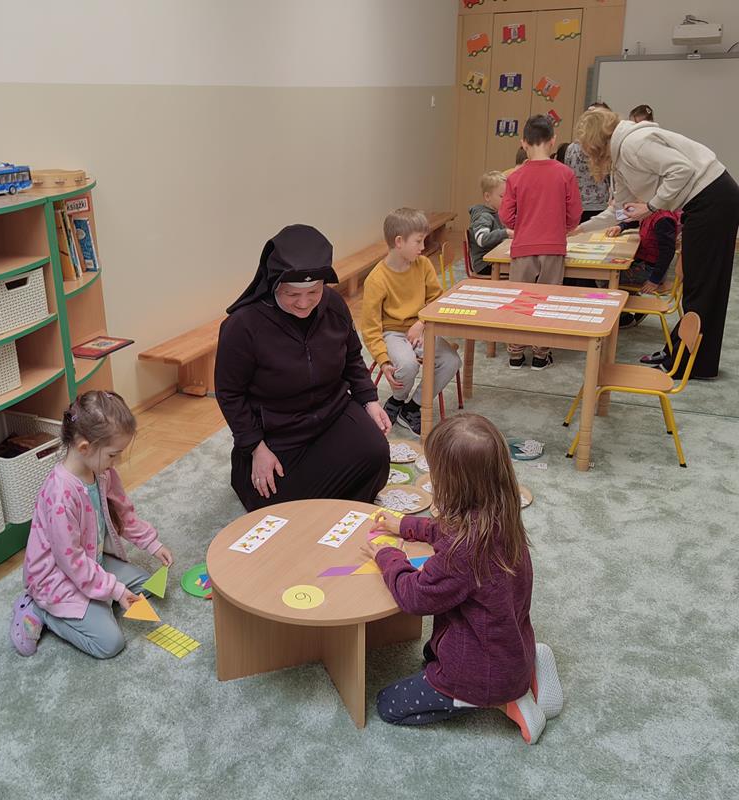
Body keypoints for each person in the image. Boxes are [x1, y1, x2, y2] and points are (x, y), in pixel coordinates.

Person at [360, 414, 563, 743]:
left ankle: (504, 700)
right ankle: (526, 666)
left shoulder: (462, 551)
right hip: (507, 646)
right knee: (430, 655)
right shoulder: (499, 514)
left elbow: (415, 597)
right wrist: (405, 526)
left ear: (453, 484)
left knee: (387, 705)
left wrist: (388, 556)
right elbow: (447, 531)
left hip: (478, 675)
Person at [215, 224, 392, 511]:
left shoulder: (334, 306)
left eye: (313, 291)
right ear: (274, 284)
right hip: (278, 431)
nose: (304, 302)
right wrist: (256, 448)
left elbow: (352, 358)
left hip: (332, 413)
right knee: (276, 505)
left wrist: (369, 401)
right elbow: (230, 394)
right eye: (292, 294)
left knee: (376, 455)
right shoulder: (242, 326)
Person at [573, 107, 739, 378]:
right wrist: (579, 228)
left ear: (596, 142)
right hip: (705, 202)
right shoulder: (621, 154)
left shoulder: (633, 143)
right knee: (697, 284)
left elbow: (682, 170)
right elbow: (620, 210)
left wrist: (651, 206)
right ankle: (677, 349)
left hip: (713, 200)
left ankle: (691, 363)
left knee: (703, 286)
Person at [9, 391, 174, 659]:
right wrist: (115, 591)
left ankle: (97, 597)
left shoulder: (103, 471)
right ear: (85, 447)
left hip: (91, 561)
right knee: (110, 643)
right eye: (113, 455)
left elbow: (123, 513)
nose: (116, 462)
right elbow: (72, 562)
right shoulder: (60, 495)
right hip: (57, 577)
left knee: (146, 585)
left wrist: (152, 544)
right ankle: (41, 609)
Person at [361, 208, 462, 434]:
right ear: (399, 242)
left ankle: (413, 407)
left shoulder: (423, 265)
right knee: (407, 365)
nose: (423, 247)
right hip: (392, 333)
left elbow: (436, 299)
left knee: (451, 361)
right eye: (418, 241)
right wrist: (383, 360)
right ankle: (397, 400)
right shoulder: (376, 279)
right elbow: (370, 328)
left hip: (422, 328)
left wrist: (422, 323)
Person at [500, 114, 582, 370]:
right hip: (553, 247)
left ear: (523, 142)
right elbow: (575, 214)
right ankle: (540, 354)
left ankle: (515, 353)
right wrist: (561, 227)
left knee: (521, 301)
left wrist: (523, 225)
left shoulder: (515, 176)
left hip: (523, 247)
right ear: (553, 141)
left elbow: (506, 216)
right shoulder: (565, 174)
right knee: (547, 302)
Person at [564, 102, 613, 223]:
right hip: (600, 206)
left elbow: (567, 177)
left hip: (578, 205)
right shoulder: (605, 148)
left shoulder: (571, 148)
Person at [468, 171, 512, 276]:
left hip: (494, 259)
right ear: (487, 196)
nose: (506, 200)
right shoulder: (484, 216)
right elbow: (482, 239)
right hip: (485, 264)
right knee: (522, 269)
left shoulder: (496, 212)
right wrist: (505, 232)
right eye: (502, 196)